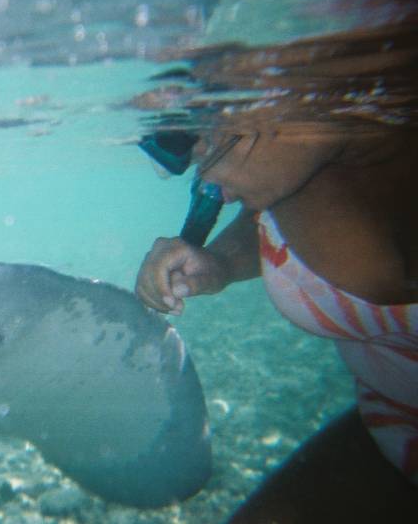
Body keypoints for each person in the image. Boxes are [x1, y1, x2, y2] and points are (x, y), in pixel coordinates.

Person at [135, 118, 418, 520]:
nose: (197, 158)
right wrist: (221, 263)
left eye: (211, 102)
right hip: (386, 425)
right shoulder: (302, 165)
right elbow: (274, 217)